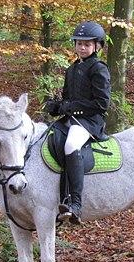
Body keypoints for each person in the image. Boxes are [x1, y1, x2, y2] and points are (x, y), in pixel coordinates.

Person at [44, 21, 111, 224]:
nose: (82, 47)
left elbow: (102, 103)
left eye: (87, 44)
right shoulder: (72, 69)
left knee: (72, 145)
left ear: (97, 46)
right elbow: (67, 98)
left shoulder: (99, 69)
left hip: (90, 121)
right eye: (79, 43)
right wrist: (56, 106)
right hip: (72, 119)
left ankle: (75, 203)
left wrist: (71, 107)